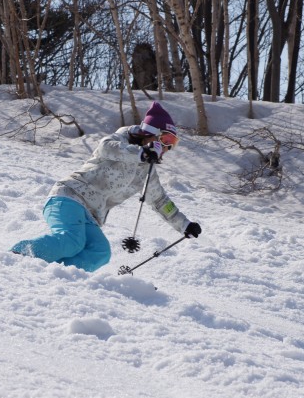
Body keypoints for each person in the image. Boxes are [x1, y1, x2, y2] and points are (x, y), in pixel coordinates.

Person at [10, 102, 202, 272]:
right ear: (151, 133)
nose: (168, 148)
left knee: (100, 252)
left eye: (173, 144)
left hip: (91, 215)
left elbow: (161, 202)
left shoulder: (146, 172)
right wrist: (140, 153)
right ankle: (17, 256)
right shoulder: (120, 141)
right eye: (167, 140)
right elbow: (107, 148)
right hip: (68, 197)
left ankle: (61, 275)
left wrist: (184, 224)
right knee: (72, 241)